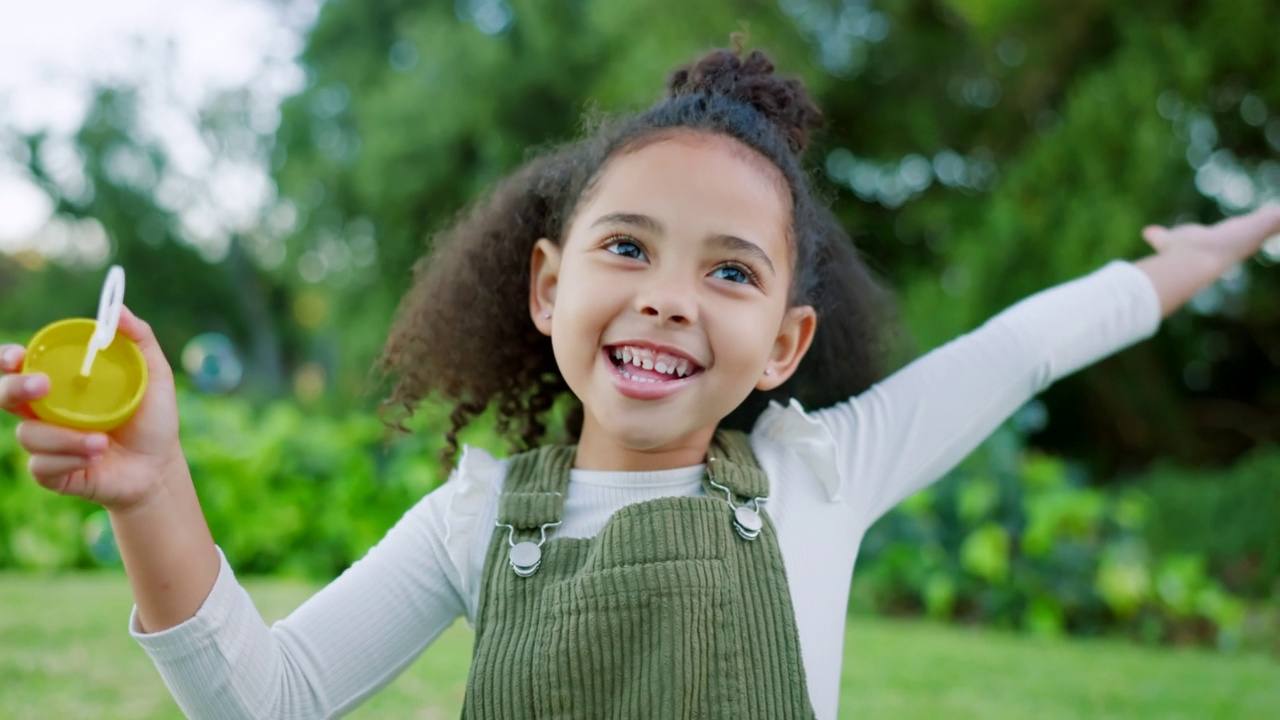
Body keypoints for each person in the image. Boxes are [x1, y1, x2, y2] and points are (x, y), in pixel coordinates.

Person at [2, 45, 1278, 720]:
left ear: (783, 345)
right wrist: (150, 488)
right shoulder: (474, 519)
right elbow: (263, 703)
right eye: (628, 248)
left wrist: (1196, 258)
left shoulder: (817, 473)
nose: (668, 293)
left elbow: (1020, 347)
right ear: (549, 288)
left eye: (730, 272)